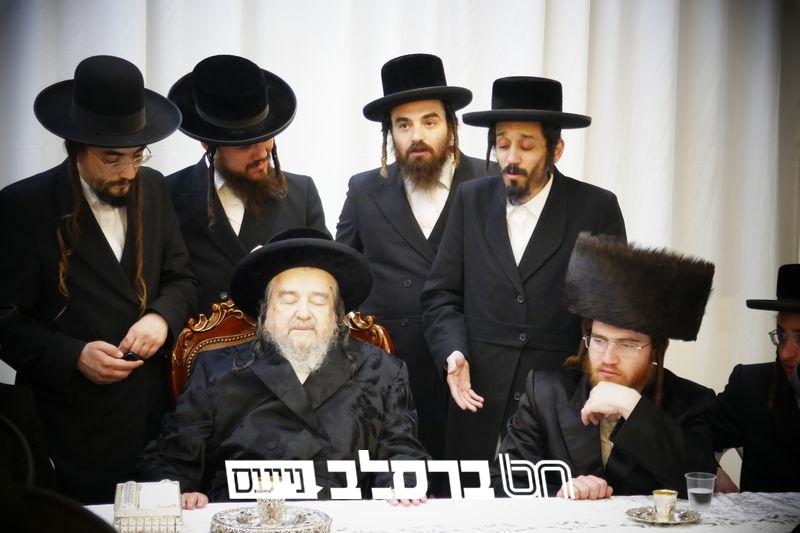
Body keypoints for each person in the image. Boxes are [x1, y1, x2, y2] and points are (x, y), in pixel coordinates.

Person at [0, 55, 198, 503]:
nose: (129, 172)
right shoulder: (23, 205)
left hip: (151, 419)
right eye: (112, 159)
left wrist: (161, 318)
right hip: (69, 427)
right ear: (75, 147)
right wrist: (73, 356)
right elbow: (5, 319)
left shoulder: (154, 188)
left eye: (137, 156)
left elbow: (181, 278)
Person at [138, 229, 429, 508]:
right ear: (265, 311)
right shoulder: (216, 369)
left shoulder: (383, 372)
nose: (303, 313)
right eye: (288, 299)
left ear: (337, 314)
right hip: (241, 520)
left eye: (319, 301)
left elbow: (403, 453)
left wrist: (401, 484)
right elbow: (170, 459)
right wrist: (180, 491)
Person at [421, 76, 626, 464]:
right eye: (502, 144)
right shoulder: (470, 198)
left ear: (556, 149)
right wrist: (453, 351)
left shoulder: (596, 208)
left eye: (526, 146)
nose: (511, 157)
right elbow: (440, 295)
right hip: (475, 400)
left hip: (560, 407)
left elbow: (611, 315)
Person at [336, 53, 493, 462]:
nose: (416, 135)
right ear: (389, 133)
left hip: (472, 365)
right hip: (390, 370)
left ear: (452, 127)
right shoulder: (364, 190)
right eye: (403, 125)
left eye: (429, 121)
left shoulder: (490, 181)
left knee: (465, 482)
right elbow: (340, 277)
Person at [495, 233, 717, 499]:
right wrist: (559, 495)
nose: (609, 357)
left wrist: (632, 406)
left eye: (628, 344)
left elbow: (700, 484)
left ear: (656, 349)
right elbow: (504, 483)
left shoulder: (692, 402)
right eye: (599, 340)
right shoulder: (544, 392)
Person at [167, 55, 327, 315]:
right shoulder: (170, 195)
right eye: (245, 145)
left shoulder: (302, 193)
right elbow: (167, 281)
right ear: (208, 144)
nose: (262, 153)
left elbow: (323, 277)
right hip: (200, 337)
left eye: (267, 137)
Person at [712, 264, 800, 492]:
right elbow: (695, 438)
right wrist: (716, 475)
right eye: (782, 336)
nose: (786, 353)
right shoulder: (751, 384)